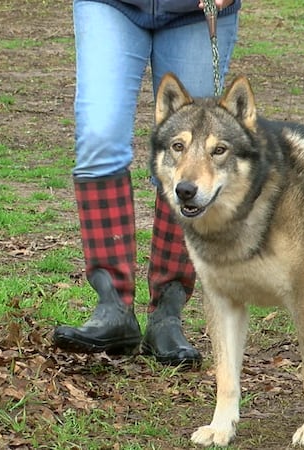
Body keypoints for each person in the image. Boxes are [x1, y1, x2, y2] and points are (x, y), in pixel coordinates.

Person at [52, 0, 241, 367]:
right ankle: (113, 307)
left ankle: (167, 314)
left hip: (195, 9)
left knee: (191, 156)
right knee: (99, 138)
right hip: (111, 5)